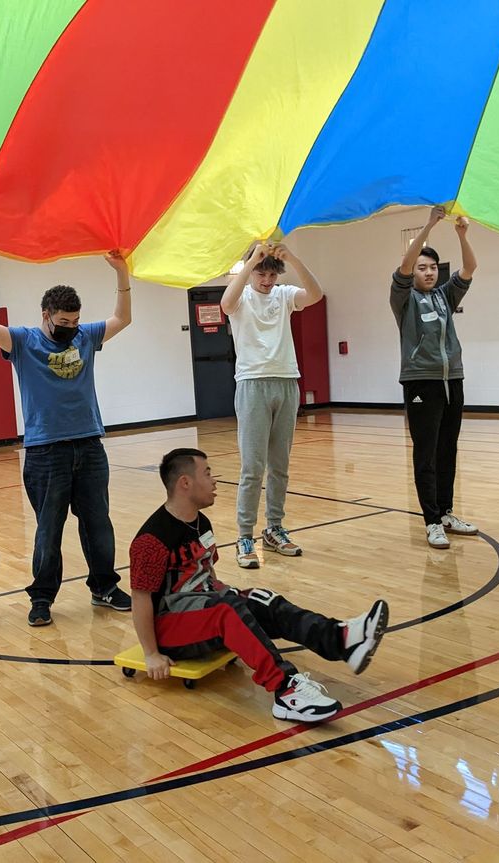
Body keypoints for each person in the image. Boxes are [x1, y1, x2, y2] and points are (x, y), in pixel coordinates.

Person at [128, 448, 389, 723]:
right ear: (185, 483)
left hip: (203, 605)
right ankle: (285, 689)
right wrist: (152, 654)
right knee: (226, 610)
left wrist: (239, 597)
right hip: (169, 627)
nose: (215, 480)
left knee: (262, 599)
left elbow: (205, 574)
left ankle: (342, 639)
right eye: (207, 473)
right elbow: (140, 597)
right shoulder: (151, 539)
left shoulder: (200, 522)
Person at [0, 251, 133, 626]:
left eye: (74, 321)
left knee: (98, 524)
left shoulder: (86, 336)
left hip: (90, 444)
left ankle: (104, 586)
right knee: (48, 531)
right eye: (63, 321)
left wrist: (122, 273)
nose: (70, 327)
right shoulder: (25, 342)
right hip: (45, 452)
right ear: (46, 315)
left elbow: (122, 317)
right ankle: (41, 598)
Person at [220, 242, 324, 568]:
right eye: (260, 273)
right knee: (253, 467)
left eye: (270, 274)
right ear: (251, 271)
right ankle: (245, 535)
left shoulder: (284, 295)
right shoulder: (242, 299)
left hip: (286, 382)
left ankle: (275, 528)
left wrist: (291, 256)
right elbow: (225, 303)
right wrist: (252, 258)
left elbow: (316, 294)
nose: (266, 279)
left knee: (280, 466)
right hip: (252, 384)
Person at [392, 206, 479, 549]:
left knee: (448, 449)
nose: (427, 273)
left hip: (451, 380)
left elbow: (470, 268)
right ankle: (430, 521)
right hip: (420, 382)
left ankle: (445, 512)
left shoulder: (445, 295)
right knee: (425, 452)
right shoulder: (403, 298)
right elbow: (403, 266)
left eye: (432, 268)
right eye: (421, 268)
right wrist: (429, 224)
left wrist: (461, 235)